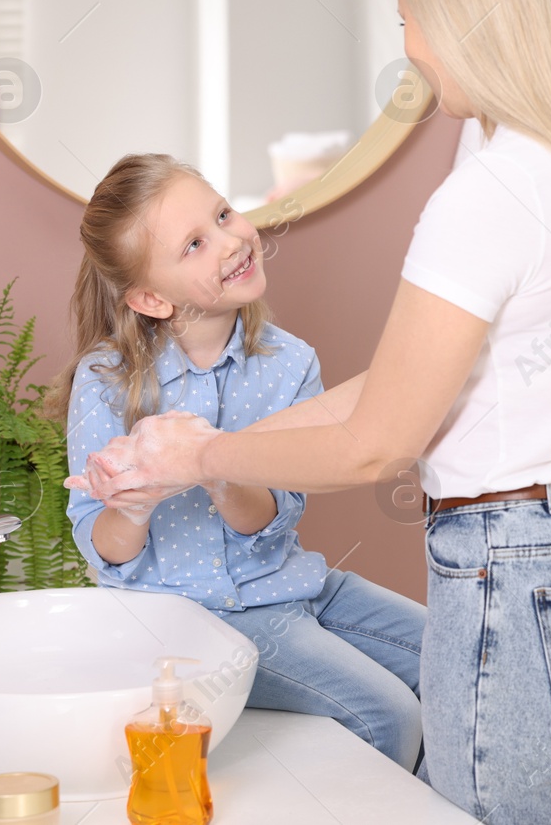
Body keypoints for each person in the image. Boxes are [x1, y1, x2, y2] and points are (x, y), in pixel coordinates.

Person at [69, 0, 551, 825]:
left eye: (408, 15)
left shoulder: (489, 195)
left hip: (519, 575)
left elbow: (377, 441)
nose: (405, 42)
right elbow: (404, 386)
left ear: (457, 18)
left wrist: (199, 454)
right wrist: (184, 450)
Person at [44, 153, 427, 773]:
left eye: (222, 215)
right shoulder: (107, 381)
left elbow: (273, 517)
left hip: (296, 584)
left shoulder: (290, 362)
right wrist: (131, 509)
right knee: (388, 713)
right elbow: (105, 547)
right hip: (195, 622)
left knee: (463, 661)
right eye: (195, 244)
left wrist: (211, 468)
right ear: (149, 297)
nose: (230, 241)